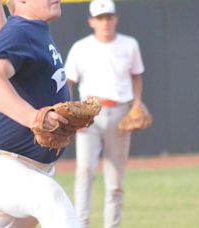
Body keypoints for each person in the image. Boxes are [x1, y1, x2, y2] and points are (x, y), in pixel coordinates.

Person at [0, 0, 81, 227]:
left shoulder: (30, 31)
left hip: (27, 167)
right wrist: (35, 118)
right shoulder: (22, 30)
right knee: (51, 199)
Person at [64, 0, 146, 227]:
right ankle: (80, 225)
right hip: (88, 114)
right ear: (91, 21)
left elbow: (136, 75)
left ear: (115, 18)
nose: (105, 22)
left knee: (115, 180)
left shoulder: (129, 45)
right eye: (100, 18)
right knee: (84, 173)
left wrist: (137, 103)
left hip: (119, 112)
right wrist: (73, 115)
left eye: (108, 17)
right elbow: (68, 81)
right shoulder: (81, 47)